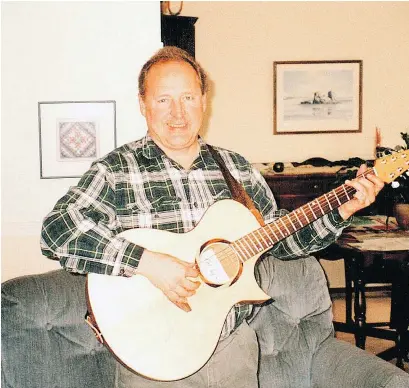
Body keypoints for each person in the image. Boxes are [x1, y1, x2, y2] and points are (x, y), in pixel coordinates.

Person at [41, 46, 385, 388]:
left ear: (204, 101)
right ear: (143, 104)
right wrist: (148, 262)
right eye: (163, 99)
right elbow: (57, 230)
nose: (178, 112)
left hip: (230, 351)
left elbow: (281, 240)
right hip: (150, 356)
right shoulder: (117, 170)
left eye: (188, 97)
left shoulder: (235, 168)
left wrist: (342, 209)